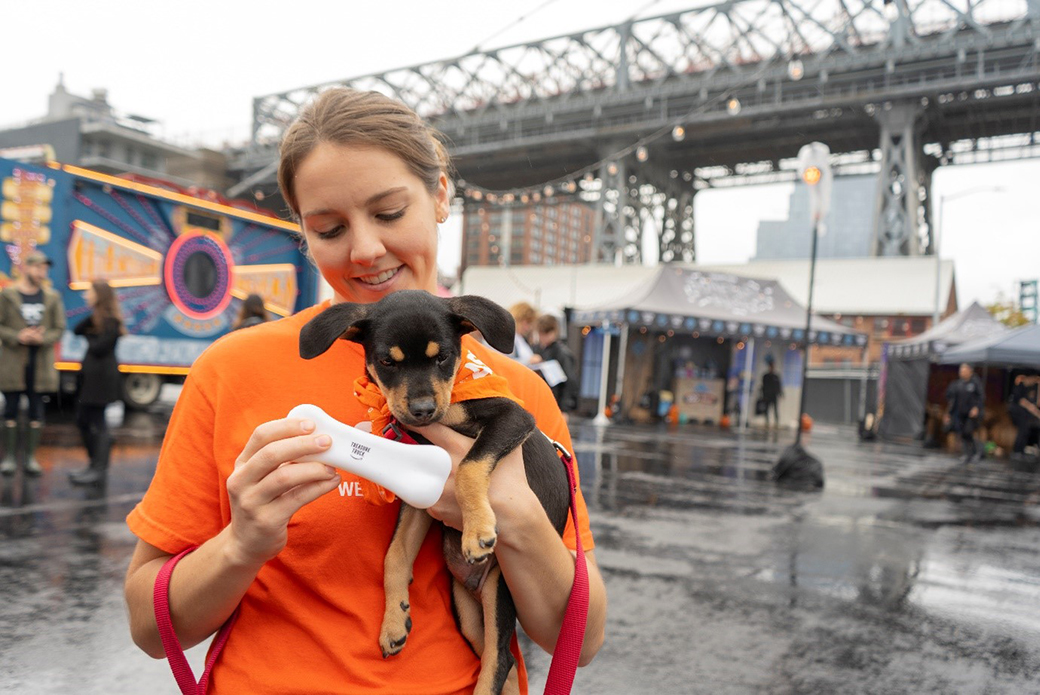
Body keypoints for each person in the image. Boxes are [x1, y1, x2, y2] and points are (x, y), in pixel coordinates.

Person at [122, 88, 605, 694]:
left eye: (388, 212)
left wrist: (505, 510)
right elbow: (149, 624)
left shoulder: (519, 394)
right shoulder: (232, 369)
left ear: (440, 196)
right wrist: (241, 543)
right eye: (328, 227)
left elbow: (577, 644)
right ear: (302, 231)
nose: (365, 249)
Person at [0, 250, 66, 476]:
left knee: (36, 412)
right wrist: (18, 336)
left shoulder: (52, 297)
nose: (42, 272)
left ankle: (29, 458)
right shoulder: (7, 295)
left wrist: (42, 338)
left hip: (40, 364)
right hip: (13, 363)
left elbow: (59, 328)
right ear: (26, 268)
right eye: (38, 267)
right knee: (10, 410)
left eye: (45, 269)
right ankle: (9, 458)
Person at [68, 280, 126, 486]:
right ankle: (93, 464)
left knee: (98, 422)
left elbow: (98, 348)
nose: (85, 295)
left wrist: (91, 335)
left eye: (89, 292)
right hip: (90, 378)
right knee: (83, 420)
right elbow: (76, 329)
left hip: (102, 379)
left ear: (99, 295)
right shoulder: (97, 319)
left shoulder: (112, 321)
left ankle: (98, 469)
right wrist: (92, 321)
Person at [531, 313, 579, 414]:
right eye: (541, 333)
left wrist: (565, 409)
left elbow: (570, 381)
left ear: (554, 332)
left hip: (555, 402)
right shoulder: (535, 349)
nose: (543, 337)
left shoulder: (562, 353)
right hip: (537, 399)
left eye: (546, 333)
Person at [944, 363, 985, 463]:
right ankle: (968, 454)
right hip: (961, 414)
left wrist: (976, 408)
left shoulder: (975, 382)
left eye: (963, 370)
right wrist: (949, 413)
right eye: (960, 371)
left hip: (972, 414)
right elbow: (953, 401)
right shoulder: (958, 384)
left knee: (968, 431)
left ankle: (978, 452)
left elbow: (981, 397)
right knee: (963, 434)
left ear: (970, 371)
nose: (961, 373)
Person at [1008, 373, 1040, 461]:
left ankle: (1021, 451)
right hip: (1017, 412)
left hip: (1026, 414)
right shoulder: (1020, 386)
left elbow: (1037, 402)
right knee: (1022, 431)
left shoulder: (1033, 388)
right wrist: (1033, 410)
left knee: (1026, 431)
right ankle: (1016, 451)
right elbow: (1021, 401)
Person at [759, 356, 783, 429]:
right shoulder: (766, 376)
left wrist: (780, 393)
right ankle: (767, 422)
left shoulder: (776, 376)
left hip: (774, 395)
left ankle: (776, 423)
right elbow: (763, 385)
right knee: (767, 409)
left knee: (775, 409)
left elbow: (778, 385)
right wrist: (763, 394)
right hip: (767, 395)